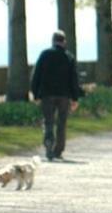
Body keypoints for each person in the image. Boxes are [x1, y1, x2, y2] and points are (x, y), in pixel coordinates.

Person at [30, 30, 84, 160]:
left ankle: (49, 142)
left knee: (48, 121)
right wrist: (75, 98)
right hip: (64, 96)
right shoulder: (69, 57)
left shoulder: (44, 55)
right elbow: (73, 79)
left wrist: (35, 93)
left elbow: (36, 76)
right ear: (64, 42)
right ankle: (58, 149)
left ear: (53, 41)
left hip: (47, 94)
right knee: (62, 123)